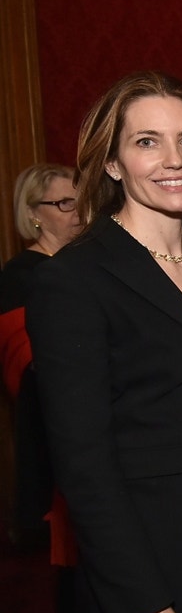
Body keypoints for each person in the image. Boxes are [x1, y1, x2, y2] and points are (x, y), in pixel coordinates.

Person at [26, 71, 182, 613]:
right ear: (112, 163)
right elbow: (84, 466)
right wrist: (145, 604)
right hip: (150, 582)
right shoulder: (74, 279)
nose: (174, 159)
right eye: (147, 142)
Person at [0, 163, 80, 546]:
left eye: (81, 202)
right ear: (33, 213)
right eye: (64, 203)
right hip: (49, 434)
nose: (78, 212)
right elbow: (26, 365)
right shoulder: (20, 276)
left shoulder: (86, 267)